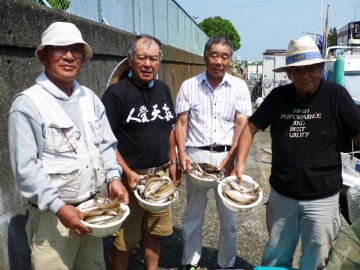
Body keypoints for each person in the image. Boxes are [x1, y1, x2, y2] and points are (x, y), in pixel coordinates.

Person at [232, 35, 360, 269]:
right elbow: (251, 127)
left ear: (321, 68)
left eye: (311, 68)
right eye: (298, 70)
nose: (305, 74)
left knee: (317, 259)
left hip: (323, 197)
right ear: (289, 74)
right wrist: (239, 163)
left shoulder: (336, 95)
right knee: (275, 257)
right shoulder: (278, 97)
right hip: (283, 196)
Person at [8, 22, 129, 270]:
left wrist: (113, 178)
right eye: (59, 49)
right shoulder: (28, 104)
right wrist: (59, 207)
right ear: (42, 56)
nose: (69, 56)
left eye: (76, 50)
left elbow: (106, 145)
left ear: (83, 58)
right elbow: (26, 169)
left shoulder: (90, 98)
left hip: (92, 210)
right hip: (53, 218)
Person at [101, 34, 179, 270]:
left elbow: (171, 128)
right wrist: (125, 172)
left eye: (153, 59)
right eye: (142, 57)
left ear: (159, 61)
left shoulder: (164, 89)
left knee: (155, 231)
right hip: (130, 179)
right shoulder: (115, 94)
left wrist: (173, 161)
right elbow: (105, 141)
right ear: (130, 58)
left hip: (161, 176)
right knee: (123, 240)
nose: (148, 64)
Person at [175, 36, 252, 270]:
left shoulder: (239, 86)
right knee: (193, 214)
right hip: (196, 156)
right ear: (205, 57)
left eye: (224, 56)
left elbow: (242, 122)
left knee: (229, 218)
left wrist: (236, 157)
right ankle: (191, 262)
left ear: (230, 60)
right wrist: (181, 156)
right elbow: (181, 123)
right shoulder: (189, 85)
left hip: (226, 157)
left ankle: (226, 264)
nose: (219, 61)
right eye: (214, 55)